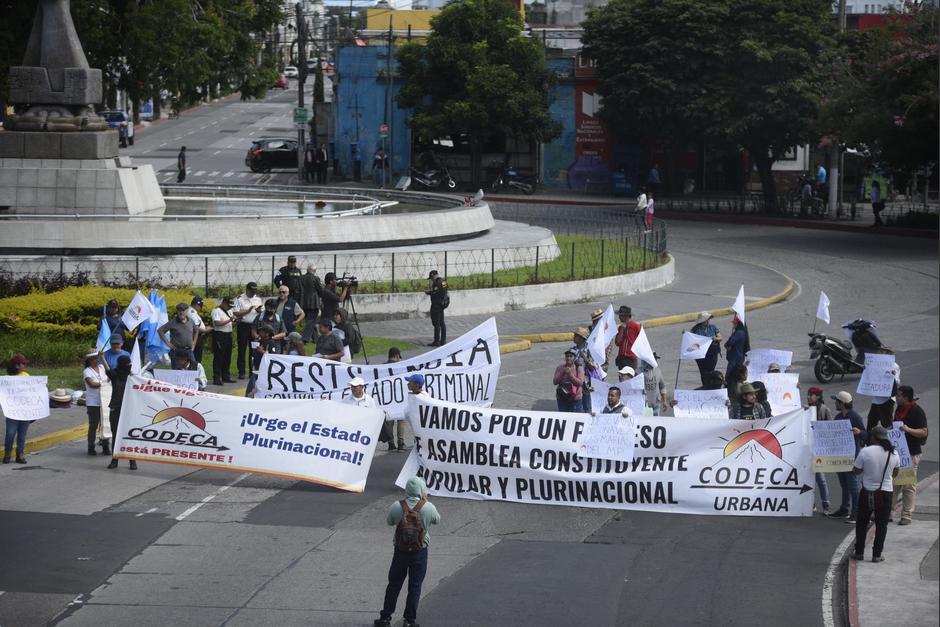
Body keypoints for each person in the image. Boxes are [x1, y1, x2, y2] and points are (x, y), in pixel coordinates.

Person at [374, 476, 441, 627]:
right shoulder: (428, 507)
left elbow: (390, 522)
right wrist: (425, 501)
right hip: (420, 551)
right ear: (421, 490)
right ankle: (409, 621)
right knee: (415, 586)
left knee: (394, 584)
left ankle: (385, 618)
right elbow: (437, 520)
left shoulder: (397, 506)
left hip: (400, 551)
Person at [850, 425, 900, 563]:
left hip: (867, 492)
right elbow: (895, 473)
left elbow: (857, 471)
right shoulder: (893, 453)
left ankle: (859, 552)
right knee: (881, 524)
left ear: (873, 437)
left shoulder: (866, 451)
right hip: (885, 492)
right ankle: (877, 554)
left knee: (862, 523)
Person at [893, 385, 928, 526]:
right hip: (898, 453)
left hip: (911, 453)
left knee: (907, 485)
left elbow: (924, 432)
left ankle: (906, 515)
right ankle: (888, 512)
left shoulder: (916, 411)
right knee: (894, 484)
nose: (896, 397)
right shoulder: (899, 410)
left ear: (906, 397)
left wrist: (908, 429)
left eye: (899, 395)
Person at [829, 391, 866, 521]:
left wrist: (859, 432)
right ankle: (844, 508)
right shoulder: (838, 416)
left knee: (852, 484)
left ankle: (856, 512)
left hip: (851, 456)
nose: (835, 403)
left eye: (836, 401)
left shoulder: (854, 417)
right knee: (844, 484)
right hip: (839, 455)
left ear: (842, 403)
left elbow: (865, 435)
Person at [103, 354, 136, 470]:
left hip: (128, 410)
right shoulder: (115, 376)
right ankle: (114, 460)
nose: (129, 367)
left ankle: (132, 461)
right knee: (116, 436)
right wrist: (102, 357)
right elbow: (107, 370)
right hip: (116, 409)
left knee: (129, 436)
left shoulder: (132, 378)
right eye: (127, 365)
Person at [807, 386, 833, 514]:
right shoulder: (805, 409)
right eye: (808, 394)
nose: (808, 397)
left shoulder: (825, 410)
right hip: (807, 449)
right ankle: (809, 503)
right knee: (806, 478)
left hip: (819, 449)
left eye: (811, 395)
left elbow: (831, 427)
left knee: (821, 479)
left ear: (818, 397)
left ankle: (826, 504)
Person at [3, 355, 32, 464]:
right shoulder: (7, 379)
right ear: (17, 365)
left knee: (22, 434)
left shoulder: (26, 376)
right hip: (12, 411)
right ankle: (7, 453)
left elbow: (33, 390)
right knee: (10, 433)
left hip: (25, 410)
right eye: (23, 364)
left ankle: (20, 454)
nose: (25, 365)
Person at [234, 282, 264, 380]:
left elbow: (262, 310)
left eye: (255, 291)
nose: (253, 293)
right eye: (251, 291)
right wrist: (248, 310)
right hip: (243, 326)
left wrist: (259, 311)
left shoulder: (258, 299)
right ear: (247, 290)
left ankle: (253, 371)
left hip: (255, 326)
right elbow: (236, 312)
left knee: (254, 350)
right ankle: (241, 371)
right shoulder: (240, 299)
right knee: (242, 349)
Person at [158, 303, 198, 369]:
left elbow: (196, 330)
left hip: (188, 349)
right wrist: (168, 344)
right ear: (177, 311)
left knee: (193, 366)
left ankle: (190, 379)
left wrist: (194, 343)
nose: (181, 312)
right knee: (176, 370)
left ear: (187, 311)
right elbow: (160, 331)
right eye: (179, 310)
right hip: (176, 350)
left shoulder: (191, 321)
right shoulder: (172, 322)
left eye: (183, 310)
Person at [83, 351, 108, 455]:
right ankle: (91, 446)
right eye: (93, 359)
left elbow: (110, 373)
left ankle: (106, 446)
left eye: (97, 358)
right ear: (89, 360)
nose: (96, 360)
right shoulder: (87, 371)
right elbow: (92, 384)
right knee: (93, 425)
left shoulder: (102, 367)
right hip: (93, 402)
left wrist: (103, 357)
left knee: (105, 425)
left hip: (105, 400)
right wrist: (105, 383)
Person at [210, 296, 237, 386]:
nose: (230, 307)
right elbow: (217, 323)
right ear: (224, 303)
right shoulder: (216, 310)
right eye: (229, 305)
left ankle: (226, 376)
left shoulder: (229, 311)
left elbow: (229, 323)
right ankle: (217, 378)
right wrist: (229, 320)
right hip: (219, 335)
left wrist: (233, 322)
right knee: (219, 356)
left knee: (227, 356)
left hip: (228, 334)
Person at [690, 311, 722, 385]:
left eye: (708, 319)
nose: (707, 321)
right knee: (703, 371)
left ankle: (710, 385)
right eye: (705, 320)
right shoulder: (695, 329)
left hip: (712, 352)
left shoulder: (713, 327)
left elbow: (720, 337)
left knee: (711, 370)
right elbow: (691, 339)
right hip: (700, 353)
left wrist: (715, 338)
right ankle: (705, 385)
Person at [571, 327, 598, 413]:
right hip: (575, 380)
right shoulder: (573, 350)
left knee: (587, 402)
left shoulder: (589, 350)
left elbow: (593, 367)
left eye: (576, 336)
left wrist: (585, 358)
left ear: (582, 338)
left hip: (586, 380)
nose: (574, 337)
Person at [553, 349, 585, 413]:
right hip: (562, 398)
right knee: (563, 417)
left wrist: (570, 375)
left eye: (571, 356)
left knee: (575, 418)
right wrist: (562, 372)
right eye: (567, 356)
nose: (568, 358)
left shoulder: (579, 368)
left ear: (574, 358)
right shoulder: (560, 368)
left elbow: (580, 383)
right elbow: (555, 382)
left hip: (575, 399)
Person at [613, 305, 641, 371]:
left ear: (627, 316)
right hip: (621, 359)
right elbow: (617, 342)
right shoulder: (620, 328)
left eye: (621, 315)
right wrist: (622, 330)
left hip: (630, 360)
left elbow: (641, 339)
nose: (619, 317)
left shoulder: (635, 326)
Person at [426, 270, 448, 346]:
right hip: (442, 305)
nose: (431, 279)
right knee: (442, 322)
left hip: (436, 305)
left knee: (436, 323)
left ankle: (436, 341)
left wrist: (429, 293)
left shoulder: (436, 283)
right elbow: (444, 292)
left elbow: (435, 293)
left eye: (431, 278)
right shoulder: (443, 281)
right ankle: (443, 340)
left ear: (434, 276)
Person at [300, 265, 322, 343]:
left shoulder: (301, 278)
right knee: (311, 321)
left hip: (304, 302)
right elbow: (320, 290)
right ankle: (305, 338)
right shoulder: (315, 278)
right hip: (314, 302)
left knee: (310, 321)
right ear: (314, 271)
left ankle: (316, 338)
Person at [723, 316, 749, 380]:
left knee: (730, 375)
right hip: (738, 357)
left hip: (735, 357)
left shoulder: (738, 333)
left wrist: (726, 345)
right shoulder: (742, 332)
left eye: (734, 323)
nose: (733, 325)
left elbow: (729, 342)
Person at [188, 296, 209, 364]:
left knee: (197, 358)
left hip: (197, 336)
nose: (201, 307)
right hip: (196, 337)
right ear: (196, 305)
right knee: (196, 359)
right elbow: (195, 328)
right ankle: (194, 373)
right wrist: (205, 330)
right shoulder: (192, 313)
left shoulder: (193, 312)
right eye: (200, 306)